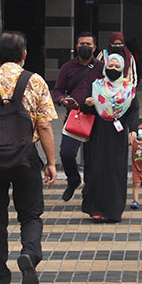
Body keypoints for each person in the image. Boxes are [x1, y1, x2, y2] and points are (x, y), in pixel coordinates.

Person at [0, 31, 57, 284]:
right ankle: (29, 254)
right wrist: (51, 163)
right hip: (26, 157)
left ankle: (0, 281)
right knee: (31, 214)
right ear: (24, 55)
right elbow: (44, 125)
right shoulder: (35, 82)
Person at [81, 53, 140, 222]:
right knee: (97, 169)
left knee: (116, 171)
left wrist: (133, 130)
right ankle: (96, 210)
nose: (113, 69)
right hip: (97, 132)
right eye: (110, 66)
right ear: (105, 66)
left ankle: (114, 211)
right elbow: (84, 107)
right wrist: (88, 104)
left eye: (117, 67)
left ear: (122, 69)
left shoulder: (129, 88)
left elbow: (133, 111)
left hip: (118, 134)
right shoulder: (96, 85)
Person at [52, 32, 103, 201]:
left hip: (95, 118)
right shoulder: (67, 67)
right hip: (74, 116)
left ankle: (88, 193)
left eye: (88, 44)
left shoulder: (101, 67)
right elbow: (58, 90)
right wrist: (63, 100)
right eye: (81, 44)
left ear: (94, 47)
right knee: (66, 153)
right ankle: (73, 180)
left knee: (91, 159)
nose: (85, 47)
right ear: (76, 46)